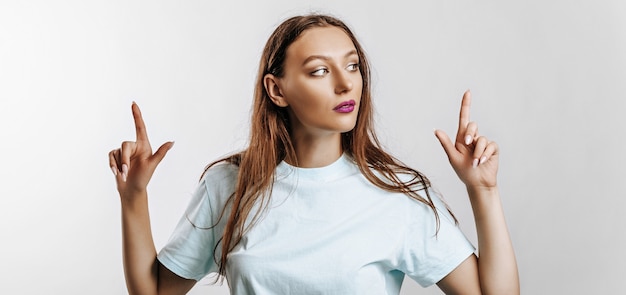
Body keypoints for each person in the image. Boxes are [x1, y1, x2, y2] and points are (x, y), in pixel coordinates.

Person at [109, 14, 519, 295]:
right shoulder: (229, 186)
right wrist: (133, 198)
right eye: (320, 70)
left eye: (353, 66)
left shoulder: (398, 195)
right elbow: (156, 291)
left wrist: (484, 190)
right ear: (277, 90)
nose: (346, 84)